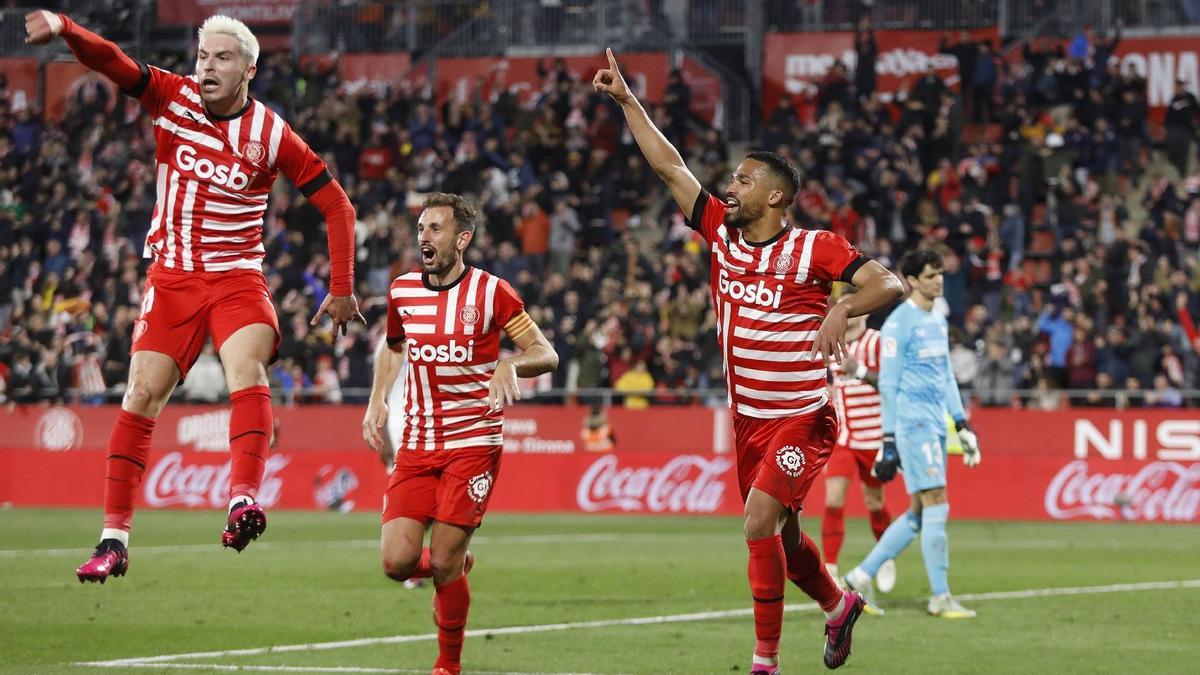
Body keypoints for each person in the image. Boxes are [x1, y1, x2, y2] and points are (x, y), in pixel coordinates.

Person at [24, 10, 363, 583]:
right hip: (173, 278)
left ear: (249, 70)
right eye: (203, 55)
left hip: (236, 280)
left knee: (247, 370)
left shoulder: (271, 134)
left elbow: (338, 205)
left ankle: (242, 500)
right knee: (140, 394)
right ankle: (114, 539)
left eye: (222, 57)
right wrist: (64, 25)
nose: (207, 66)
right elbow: (112, 61)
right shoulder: (170, 96)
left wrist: (342, 289)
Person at [596, 49, 905, 673]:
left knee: (758, 521)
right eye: (732, 180)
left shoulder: (815, 248)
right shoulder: (721, 234)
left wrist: (842, 310)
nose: (729, 187)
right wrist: (630, 102)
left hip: (801, 416)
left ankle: (765, 661)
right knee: (786, 543)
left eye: (742, 180)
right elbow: (669, 166)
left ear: (775, 196)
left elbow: (889, 284)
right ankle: (839, 604)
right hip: (748, 420)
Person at [363, 193, 558, 675]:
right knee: (397, 563)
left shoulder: (493, 293)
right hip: (416, 444)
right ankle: (458, 566)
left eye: (435, 229)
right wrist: (377, 398)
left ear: (461, 238)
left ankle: (447, 665)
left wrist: (511, 364)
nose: (423, 237)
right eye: (422, 228)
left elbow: (545, 352)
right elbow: (392, 348)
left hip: (473, 442)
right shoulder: (402, 291)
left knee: (445, 560)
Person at [842, 249, 982, 619]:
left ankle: (858, 578)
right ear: (913, 280)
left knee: (920, 513)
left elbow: (946, 376)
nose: (939, 280)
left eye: (940, 273)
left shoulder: (936, 319)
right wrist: (888, 441)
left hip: (936, 423)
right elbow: (887, 385)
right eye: (932, 275)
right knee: (938, 503)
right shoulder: (899, 324)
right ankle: (940, 596)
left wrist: (962, 422)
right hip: (912, 424)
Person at [821, 290, 896, 592]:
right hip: (843, 438)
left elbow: (893, 383)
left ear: (864, 313)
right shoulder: (832, 346)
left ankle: (885, 556)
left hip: (873, 438)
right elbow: (826, 383)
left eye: (853, 311)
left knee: (874, 503)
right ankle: (830, 569)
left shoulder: (877, 342)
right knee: (833, 500)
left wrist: (862, 372)